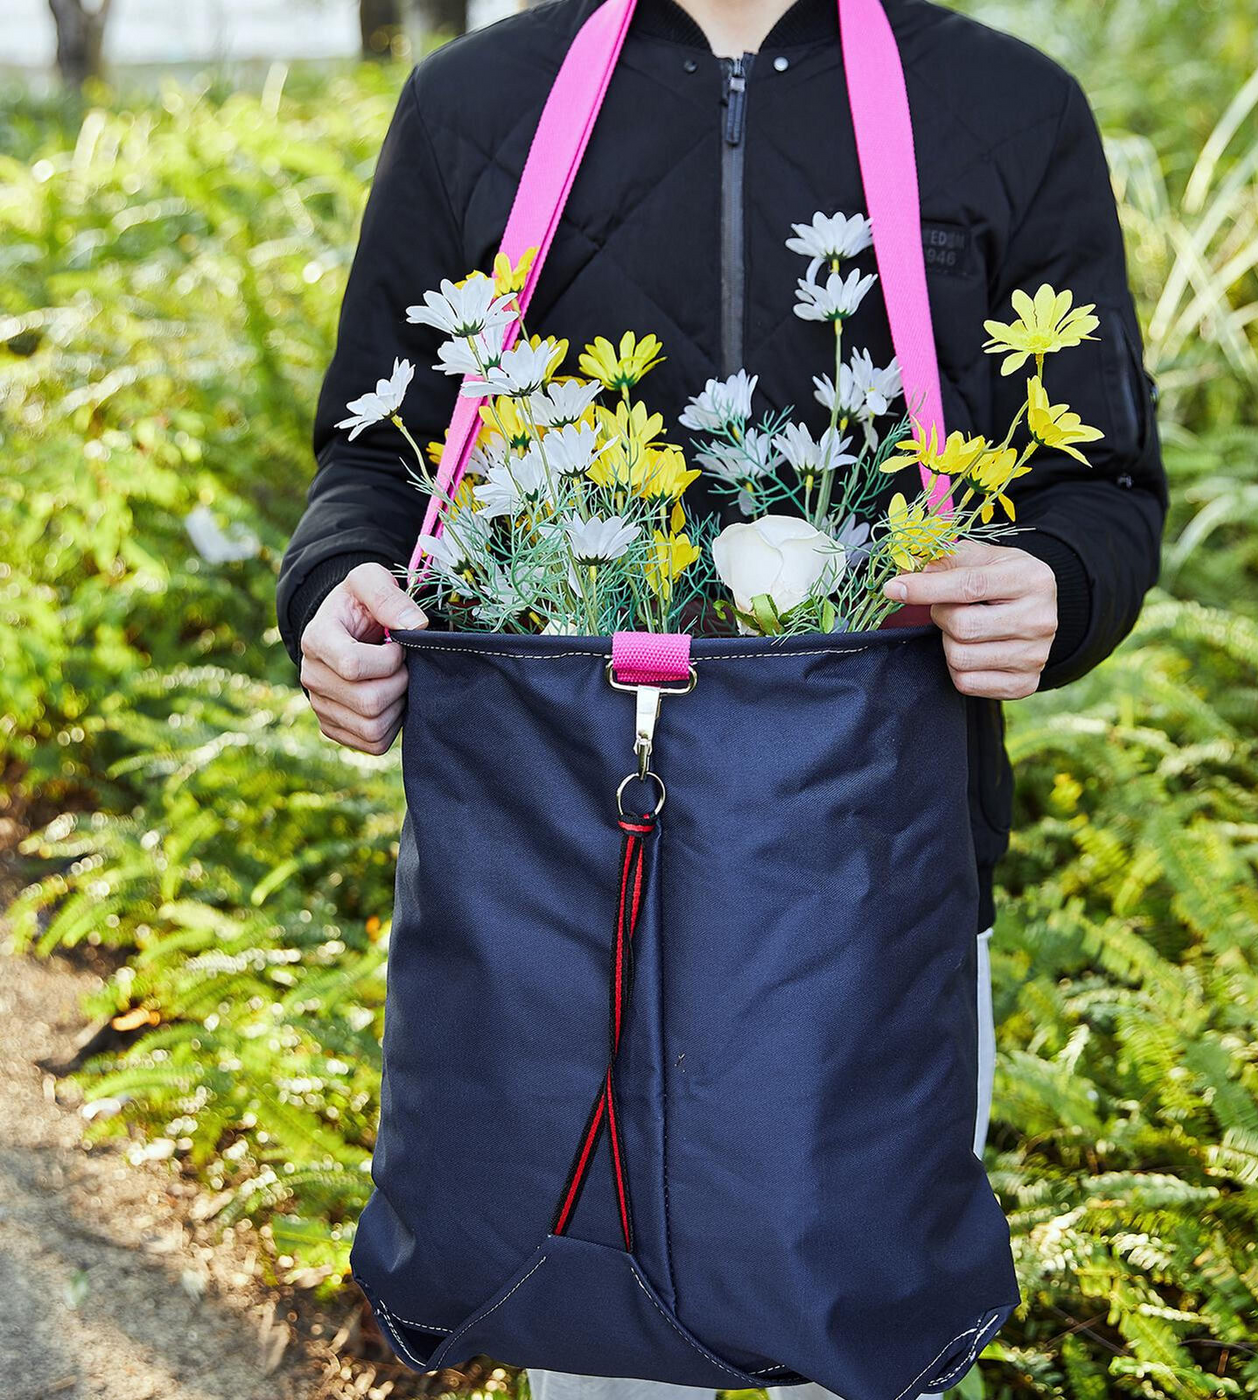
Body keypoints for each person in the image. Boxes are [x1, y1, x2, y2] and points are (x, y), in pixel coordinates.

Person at [276, 0, 1166, 1396]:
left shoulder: (1005, 103)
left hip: (876, 899)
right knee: (596, 1353)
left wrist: (1059, 580)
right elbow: (372, 459)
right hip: (555, 906)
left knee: (853, 1335)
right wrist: (334, 588)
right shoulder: (475, 101)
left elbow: (1102, 485)